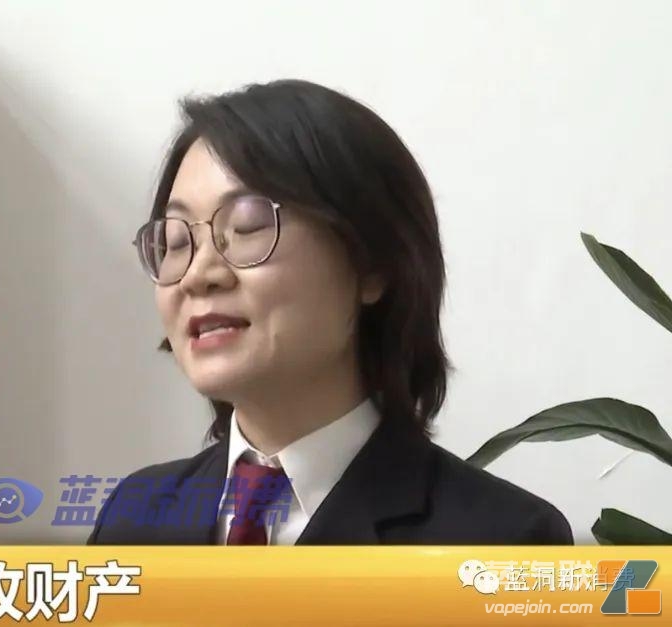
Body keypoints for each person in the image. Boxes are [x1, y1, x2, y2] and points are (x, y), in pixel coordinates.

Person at [88, 79, 573, 545]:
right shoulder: (133, 516)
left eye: (248, 227)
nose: (198, 274)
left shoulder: (503, 540)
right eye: (176, 241)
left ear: (372, 263)